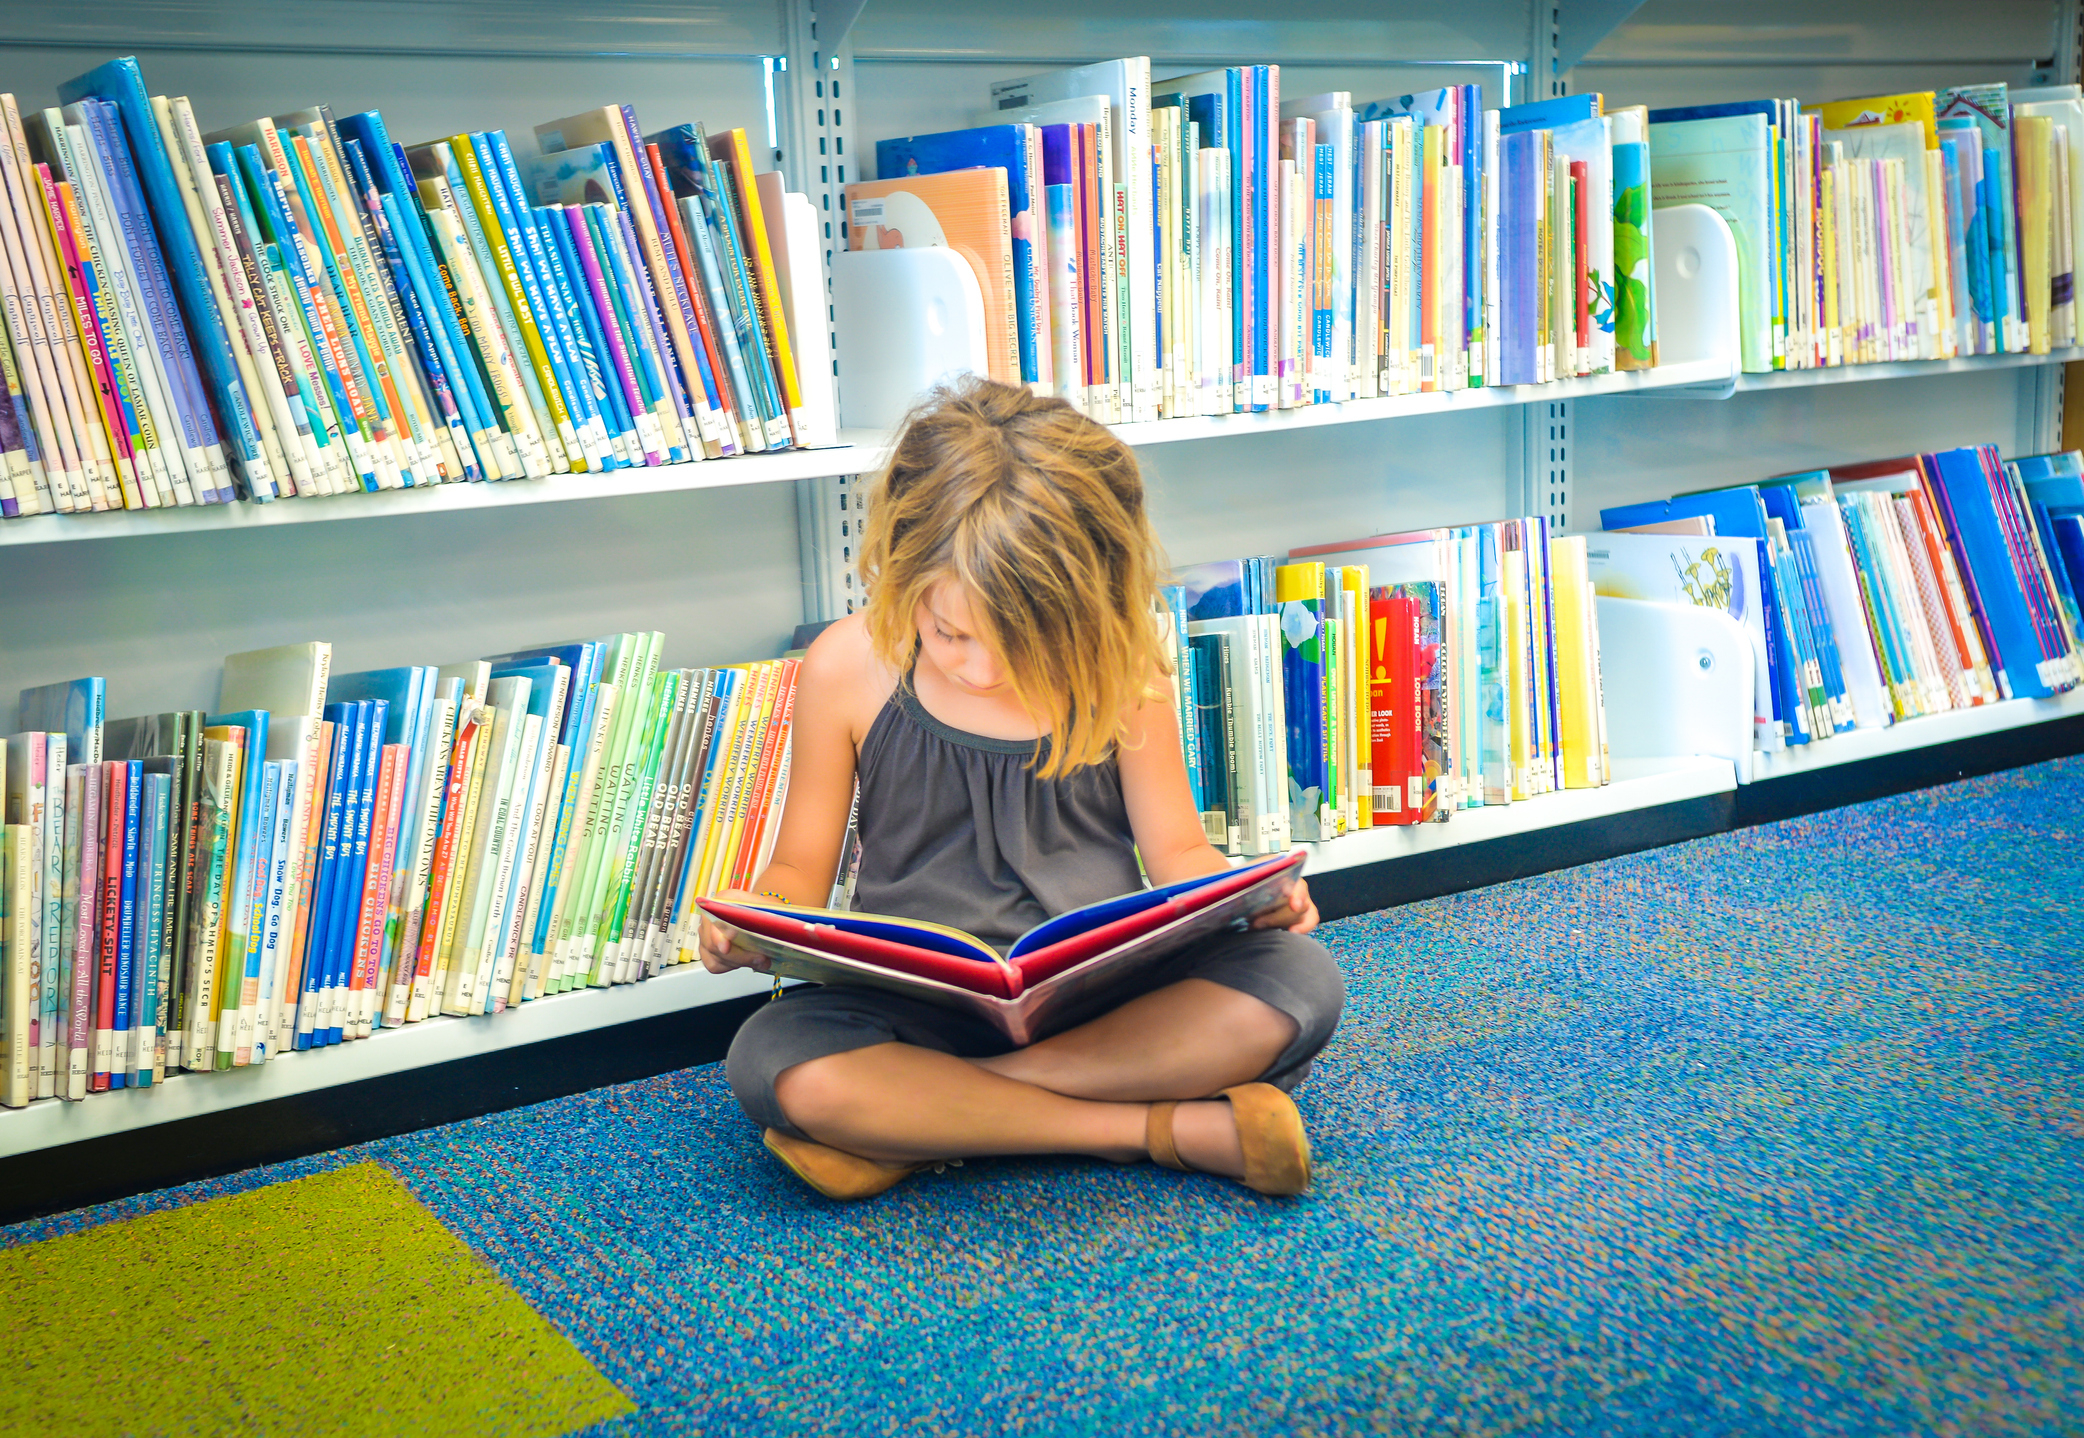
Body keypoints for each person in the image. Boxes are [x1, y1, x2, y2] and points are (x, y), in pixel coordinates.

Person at [703, 377, 1344, 1201]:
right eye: (951, 634)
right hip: (916, 1005)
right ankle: (1154, 1127)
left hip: (1102, 996)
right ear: (900, 573)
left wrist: (1244, 899)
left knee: (1298, 980)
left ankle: (928, 1120)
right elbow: (798, 871)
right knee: (776, 1060)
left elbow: (1179, 850)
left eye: (1026, 639)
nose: (984, 667)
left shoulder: (1121, 670)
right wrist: (753, 925)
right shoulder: (844, 668)